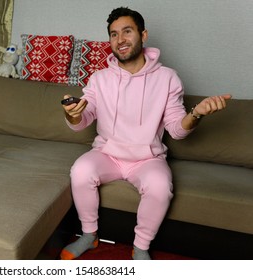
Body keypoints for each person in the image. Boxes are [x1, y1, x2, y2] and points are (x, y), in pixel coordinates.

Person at [60, 6, 231, 260]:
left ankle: (140, 247)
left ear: (143, 34)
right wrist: (72, 114)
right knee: (80, 170)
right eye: (114, 34)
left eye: (127, 31)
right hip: (108, 153)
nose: (120, 40)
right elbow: (82, 118)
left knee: (160, 186)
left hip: (147, 159)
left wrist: (196, 114)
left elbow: (176, 129)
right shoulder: (99, 79)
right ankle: (89, 235)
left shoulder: (168, 78)